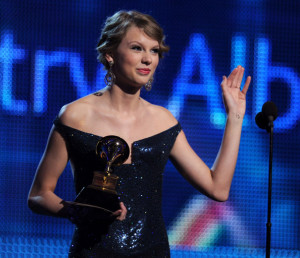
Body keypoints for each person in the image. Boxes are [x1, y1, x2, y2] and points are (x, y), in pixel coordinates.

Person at [28, 10, 251, 258]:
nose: (147, 59)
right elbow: (39, 194)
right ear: (110, 54)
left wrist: (235, 116)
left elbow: (217, 189)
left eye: (153, 51)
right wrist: (75, 211)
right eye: (137, 48)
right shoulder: (75, 116)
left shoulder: (163, 121)